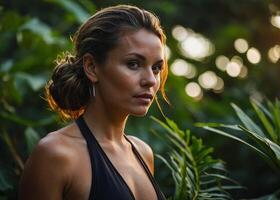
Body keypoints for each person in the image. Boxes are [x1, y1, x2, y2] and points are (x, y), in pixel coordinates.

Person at [19, 4, 168, 200]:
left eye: (156, 68)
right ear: (91, 67)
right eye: (133, 64)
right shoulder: (57, 155)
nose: (150, 79)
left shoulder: (143, 153)